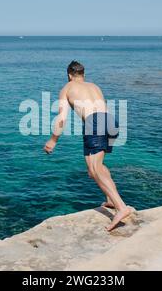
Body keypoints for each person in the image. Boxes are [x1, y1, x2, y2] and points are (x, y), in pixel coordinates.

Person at [44, 61, 132, 231]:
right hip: (110, 121)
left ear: (70, 75)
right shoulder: (94, 86)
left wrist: (53, 140)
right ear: (83, 74)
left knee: (95, 168)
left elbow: (62, 118)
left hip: (95, 123)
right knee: (95, 169)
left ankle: (121, 208)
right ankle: (110, 200)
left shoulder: (67, 87)